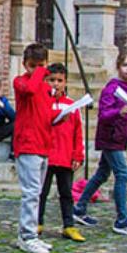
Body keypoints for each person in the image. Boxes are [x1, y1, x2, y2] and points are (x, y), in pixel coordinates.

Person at [73, 52, 127, 236]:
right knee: (122, 174)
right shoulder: (112, 88)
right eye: (125, 65)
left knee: (101, 174)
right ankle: (122, 220)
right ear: (118, 67)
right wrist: (118, 111)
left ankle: (79, 208)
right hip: (109, 137)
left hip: (121, 137)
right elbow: (104, 115)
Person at [13, 43, 54, 253]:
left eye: (40, 66)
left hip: (43, 143)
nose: (36, 70)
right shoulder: (20, 81)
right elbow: (29, 90)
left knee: (37, 193)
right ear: (25, 65)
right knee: (30, 193)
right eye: (32, 66)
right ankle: (28, 235)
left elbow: (45, 115)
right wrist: (40, 71)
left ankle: (28, 233)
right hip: (27, 144)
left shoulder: (46, 88)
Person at [37, 63, 85, 242]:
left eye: (59, 81)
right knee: (41, 192)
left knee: (66, 193)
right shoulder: (41, 102)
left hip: (65, 156)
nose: (55, 84)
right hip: (46, 155)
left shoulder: (71, 105)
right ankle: (38, 222)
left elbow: (77, 132)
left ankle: (69, 225)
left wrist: (78, 155)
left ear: (65, 82)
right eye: (51, 80)